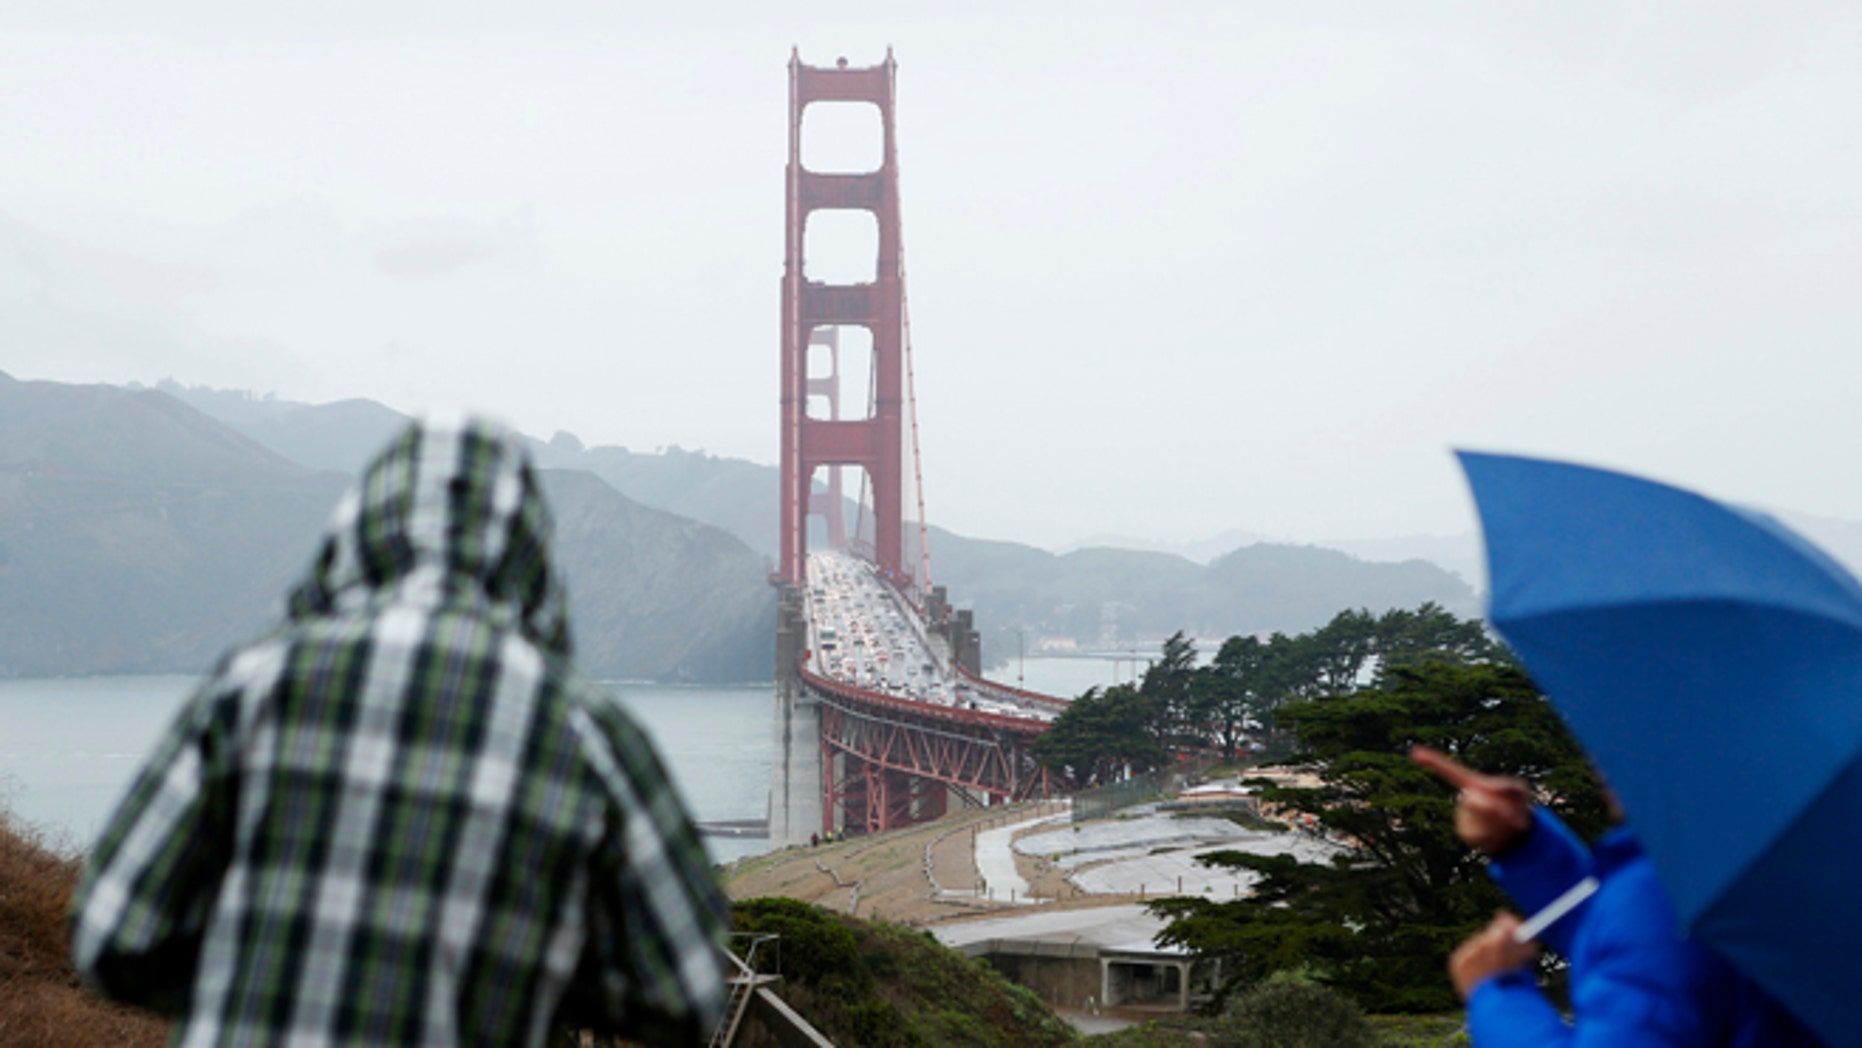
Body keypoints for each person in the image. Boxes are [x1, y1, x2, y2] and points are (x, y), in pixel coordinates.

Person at [70, 417, 730, 1047]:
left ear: (357, 537)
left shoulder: (254, 684)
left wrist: (258, 975)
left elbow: (110, 937)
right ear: (528, 559)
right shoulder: (585, 729)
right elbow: (689, 990)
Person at [1412, 746, 1817, 1047]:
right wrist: (1523, 848)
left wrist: (1496, 996)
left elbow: (1649, 942)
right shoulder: (1776, 855)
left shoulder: (1664, 888)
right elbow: (1641, 951)